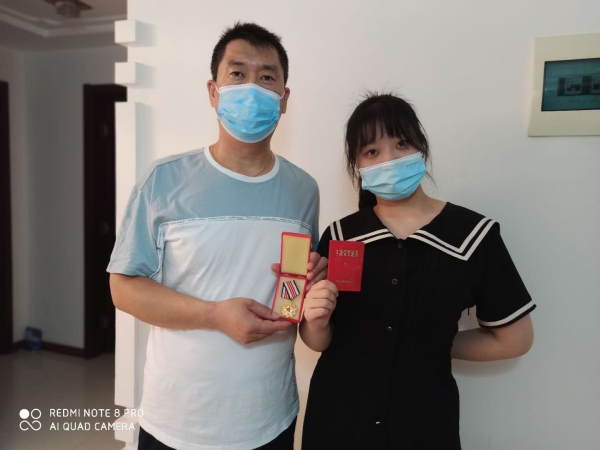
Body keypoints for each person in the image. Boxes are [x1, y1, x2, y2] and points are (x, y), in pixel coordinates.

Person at [108, 22, 327, 450]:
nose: (252, 88)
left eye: (267, 77)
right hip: (176, 420)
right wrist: (214, 315)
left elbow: (294, 290)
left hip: (269, 418)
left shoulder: (304, 190)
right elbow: (123, 288)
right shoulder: (163, 180)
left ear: (284, 99)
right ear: (213, 91)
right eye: (237, 74)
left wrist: (311, 284)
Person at [300, 93, 536, 449]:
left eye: (401, 143)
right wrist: (315, 323)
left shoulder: (474, 236)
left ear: (421, 147)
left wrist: (431, 342)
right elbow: (320, 339)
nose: (389, 159)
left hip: (424, 424)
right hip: (338, 420)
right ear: (357, 166)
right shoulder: (341, 235)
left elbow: (514, 340)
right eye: (372, 151)